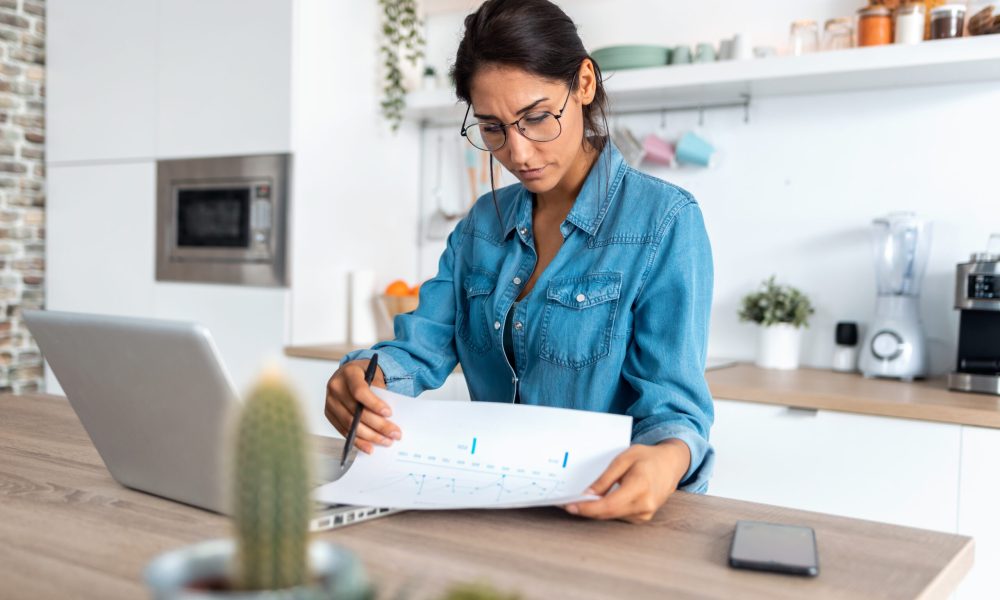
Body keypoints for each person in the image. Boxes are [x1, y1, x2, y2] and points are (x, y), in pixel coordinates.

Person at [325, 0, 714, 523]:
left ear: (583, 84)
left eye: (535, 118)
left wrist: (667, 459)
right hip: (489, 511)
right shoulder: (481, 226)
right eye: (492, 129)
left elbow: (674, 409)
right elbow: (418, 349)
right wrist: (363, 378)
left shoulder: (664, 221)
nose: (519, 153)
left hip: (605, 520)